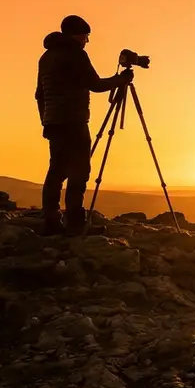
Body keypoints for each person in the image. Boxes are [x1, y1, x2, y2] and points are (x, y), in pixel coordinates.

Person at [35, 15, 132, 236]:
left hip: (54, 122)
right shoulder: (75, 55)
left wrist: (46, 119)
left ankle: (50, 221)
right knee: (80, 171)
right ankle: (75, 223)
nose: (86, 41)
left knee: (56, 171)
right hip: (74, 120)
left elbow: (39, 94)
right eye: (85, 36)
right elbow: (95, 84)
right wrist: (120, 80)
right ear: (78, 35)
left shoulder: (46, 57)